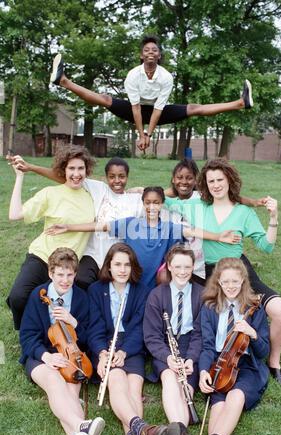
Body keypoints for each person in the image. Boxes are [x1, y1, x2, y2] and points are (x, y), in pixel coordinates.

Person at [165, 158, 281, 387]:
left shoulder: (243, 212)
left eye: (219, 180)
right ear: (204, 183)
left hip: (239, 269)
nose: (215, 185)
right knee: (203, 316)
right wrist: (141, 190)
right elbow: (162, 200)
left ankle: (274, 362)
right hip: (211, 271)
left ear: (229, 180)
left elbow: (267, 246)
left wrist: (273, 218)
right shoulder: (196, 207)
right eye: (210, 180)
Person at [50, 34, 253, 151]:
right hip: (135, 109)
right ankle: (64, 80)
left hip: (159, 111)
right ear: (141, 55)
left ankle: (240, 103)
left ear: (159, 56)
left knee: (194, 108)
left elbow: (157, 110)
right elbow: (136, 108)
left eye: (154, 50)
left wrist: (148, 134)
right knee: (104, 99)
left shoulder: (166, 77)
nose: (150, 52)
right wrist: (141, 135)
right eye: (146, 50)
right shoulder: (132, 76)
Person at [45, 186, 241, 290]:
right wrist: (69, 226)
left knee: (164, 277)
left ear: (162, 204)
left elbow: (193, 232)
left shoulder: (168, 227)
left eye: (156, 203)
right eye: (148, 203)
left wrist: (218, 237)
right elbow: (101, 226)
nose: (152, 207)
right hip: (131, 279)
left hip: (156, 281)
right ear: (143, 203)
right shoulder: (131, 224)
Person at [7, 154, 144, 289]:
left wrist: (141, 191)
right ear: (106, 177)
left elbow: (156, 202)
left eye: (121, 176)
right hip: (92, 254)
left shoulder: (135, 201)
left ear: (127, 177)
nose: (117, 181)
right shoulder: (99, 189)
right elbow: (65, 178)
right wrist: (30, 167)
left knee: (109, 288)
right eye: (112, 176)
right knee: (80, 283)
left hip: (115, 256)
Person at [87, 242, 174, 435]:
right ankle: (143, 429)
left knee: (134, 388)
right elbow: (94, 328)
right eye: (117, 264)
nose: (122, 270)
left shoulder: (141, 291)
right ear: (108, 266)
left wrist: (125, 351)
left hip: (131, 348)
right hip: (106, 347)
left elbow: (139, 328)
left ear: (132, 267)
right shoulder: (96, 290)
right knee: (117, 379)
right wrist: (102, 354)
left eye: (127, 265)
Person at [19, 247, 105, 435]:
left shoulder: (82, 298)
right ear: (50, 273)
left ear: (75, 274)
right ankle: (81, 425)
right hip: (41, 355)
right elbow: (27, 336)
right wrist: (46, 356)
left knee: (71, 390)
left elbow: (87, 338)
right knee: (53, 381)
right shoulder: (37, 296)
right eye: (59, 274)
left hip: (72, 355)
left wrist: (74, 323)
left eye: (69, 274)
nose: (65, 280)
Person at [7, 145, 96, 329]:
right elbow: (15, 215)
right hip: (42, 256)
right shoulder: (51, 193)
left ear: (87, 170)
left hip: (68, 264)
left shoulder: (92, 196)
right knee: (18, 297)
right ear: (63, 170)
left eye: (81, 168)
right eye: (71, 168)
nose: (76, 174)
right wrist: (20, 176)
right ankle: (27, 330)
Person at [199, 257, 270, 435]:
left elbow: (264, 351)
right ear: (219, 282)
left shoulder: (254, 309)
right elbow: (206, 346)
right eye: (226, 281)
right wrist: (204, 371)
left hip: (247, 365)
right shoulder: (209, 308)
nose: (230, 286)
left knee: (236, 396)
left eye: (235, 281)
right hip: (220, 364)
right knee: (218, 405)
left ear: (243, 281)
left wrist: (252, 333)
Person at [143, 244, 202, 435]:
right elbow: (151, 336)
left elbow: (200, 334)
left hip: (190, 347)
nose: (182, 272)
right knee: (170, 378)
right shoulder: (157, 295)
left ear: (193, 267)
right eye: (177, 266)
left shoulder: (201, 295)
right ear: (169, 266)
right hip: (165, 347)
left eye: (187, 267)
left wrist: (191, 359)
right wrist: (167, 357)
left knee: (185, 387)